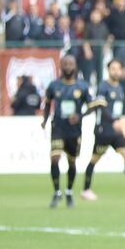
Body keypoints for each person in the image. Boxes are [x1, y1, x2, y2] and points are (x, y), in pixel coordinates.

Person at [82, 60, 125, 200]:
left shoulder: (119, 88)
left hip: (116, 130)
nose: (116, 71)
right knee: (94, 159)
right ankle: (86, 189)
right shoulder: (103, 87)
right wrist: (113, 121)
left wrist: (118, 121)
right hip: (104, 130)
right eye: (113, 68)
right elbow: (102, 107)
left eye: (118, 69)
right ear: (108, 70)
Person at [41, 54, 91, 208]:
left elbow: (92, 106)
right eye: (65, 64)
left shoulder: (82, 86)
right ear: (61, 66)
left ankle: (69, 191)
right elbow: (48, 103)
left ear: (75, 66)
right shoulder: (54, 85)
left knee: (72, 162)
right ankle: (57, 191)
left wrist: (80, 115)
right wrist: (45, 119)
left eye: (71, 64)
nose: (68, 67)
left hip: (74, 131)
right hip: (58, 127)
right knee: (55, 158)